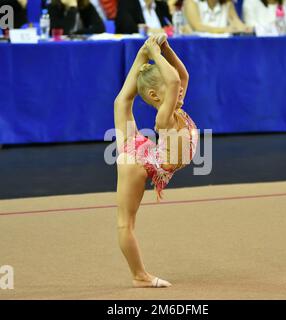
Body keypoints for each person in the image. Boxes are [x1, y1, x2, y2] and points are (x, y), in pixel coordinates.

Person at [114, 35, 198, 287]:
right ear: (155, 95)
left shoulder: (176, 105)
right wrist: (155, 53)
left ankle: (139, 57)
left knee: (121, 103)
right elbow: (173, 80)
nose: (180, 89)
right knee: (125, 223)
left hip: (145, 151)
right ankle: (139, 276)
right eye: (173, 90)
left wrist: (164, 49)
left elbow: (181, 76)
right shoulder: (164, 120)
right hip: (137, 164)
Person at [184, 0, 253, 34]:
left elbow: (236, 21)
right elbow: (197, 27)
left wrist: (245, 28)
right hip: (199, 47)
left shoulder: (227, 2)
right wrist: (225, 30)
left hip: (222, 45)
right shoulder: (191, 1)